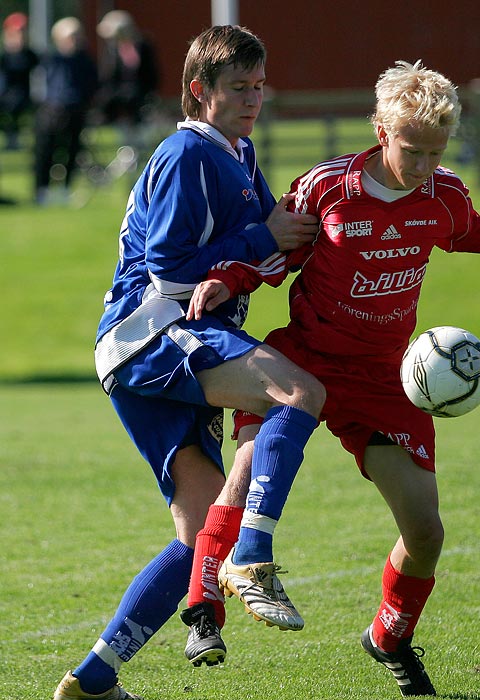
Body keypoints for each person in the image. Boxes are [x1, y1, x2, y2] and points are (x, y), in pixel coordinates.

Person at [180, 60, 480, 696]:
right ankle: (203, 611)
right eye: (412, 150)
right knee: (245, 474)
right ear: (380, 129)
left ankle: (390, 637)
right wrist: (228, 280)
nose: (425, 165)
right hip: (305, 362)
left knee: (426, 532)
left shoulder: (443, 196)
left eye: (436, 152)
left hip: (387, 381)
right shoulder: (327, 188)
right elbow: (276, 251)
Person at [53, 25, 325, 700]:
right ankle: (255, 558)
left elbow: (271, 246)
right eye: (238, 87)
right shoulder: (186, 153)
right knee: (298, 392)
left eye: (260, 86)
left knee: (201, 533)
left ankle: (93, 680)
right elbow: (170, 267)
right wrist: (265, 235)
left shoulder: (239, 151)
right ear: (200, 91)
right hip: (153, 334)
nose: (253, 99)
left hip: (150, 350)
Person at [33, 17, 97, 205]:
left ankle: (65, 189)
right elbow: (41, 86)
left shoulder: (85, 60)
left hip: (76, 111)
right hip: (51, 112)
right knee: (45, 151)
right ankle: (42, 190)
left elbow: (92, 85)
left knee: (72, 150)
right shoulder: (51, 59)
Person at [95, 10, 160, 143]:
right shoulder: (112, 50)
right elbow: (107, 76)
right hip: (117, 93)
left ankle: (134, 144)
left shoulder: (142, 46)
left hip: (139, 92)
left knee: (134, 101)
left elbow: (151, 73)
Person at [0, 11, 38, 150]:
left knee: (14, 105)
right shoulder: (5, 56)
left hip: (24, 94)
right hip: (5, 94)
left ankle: (14, 139)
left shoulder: (29, 54)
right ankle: (10, 137)